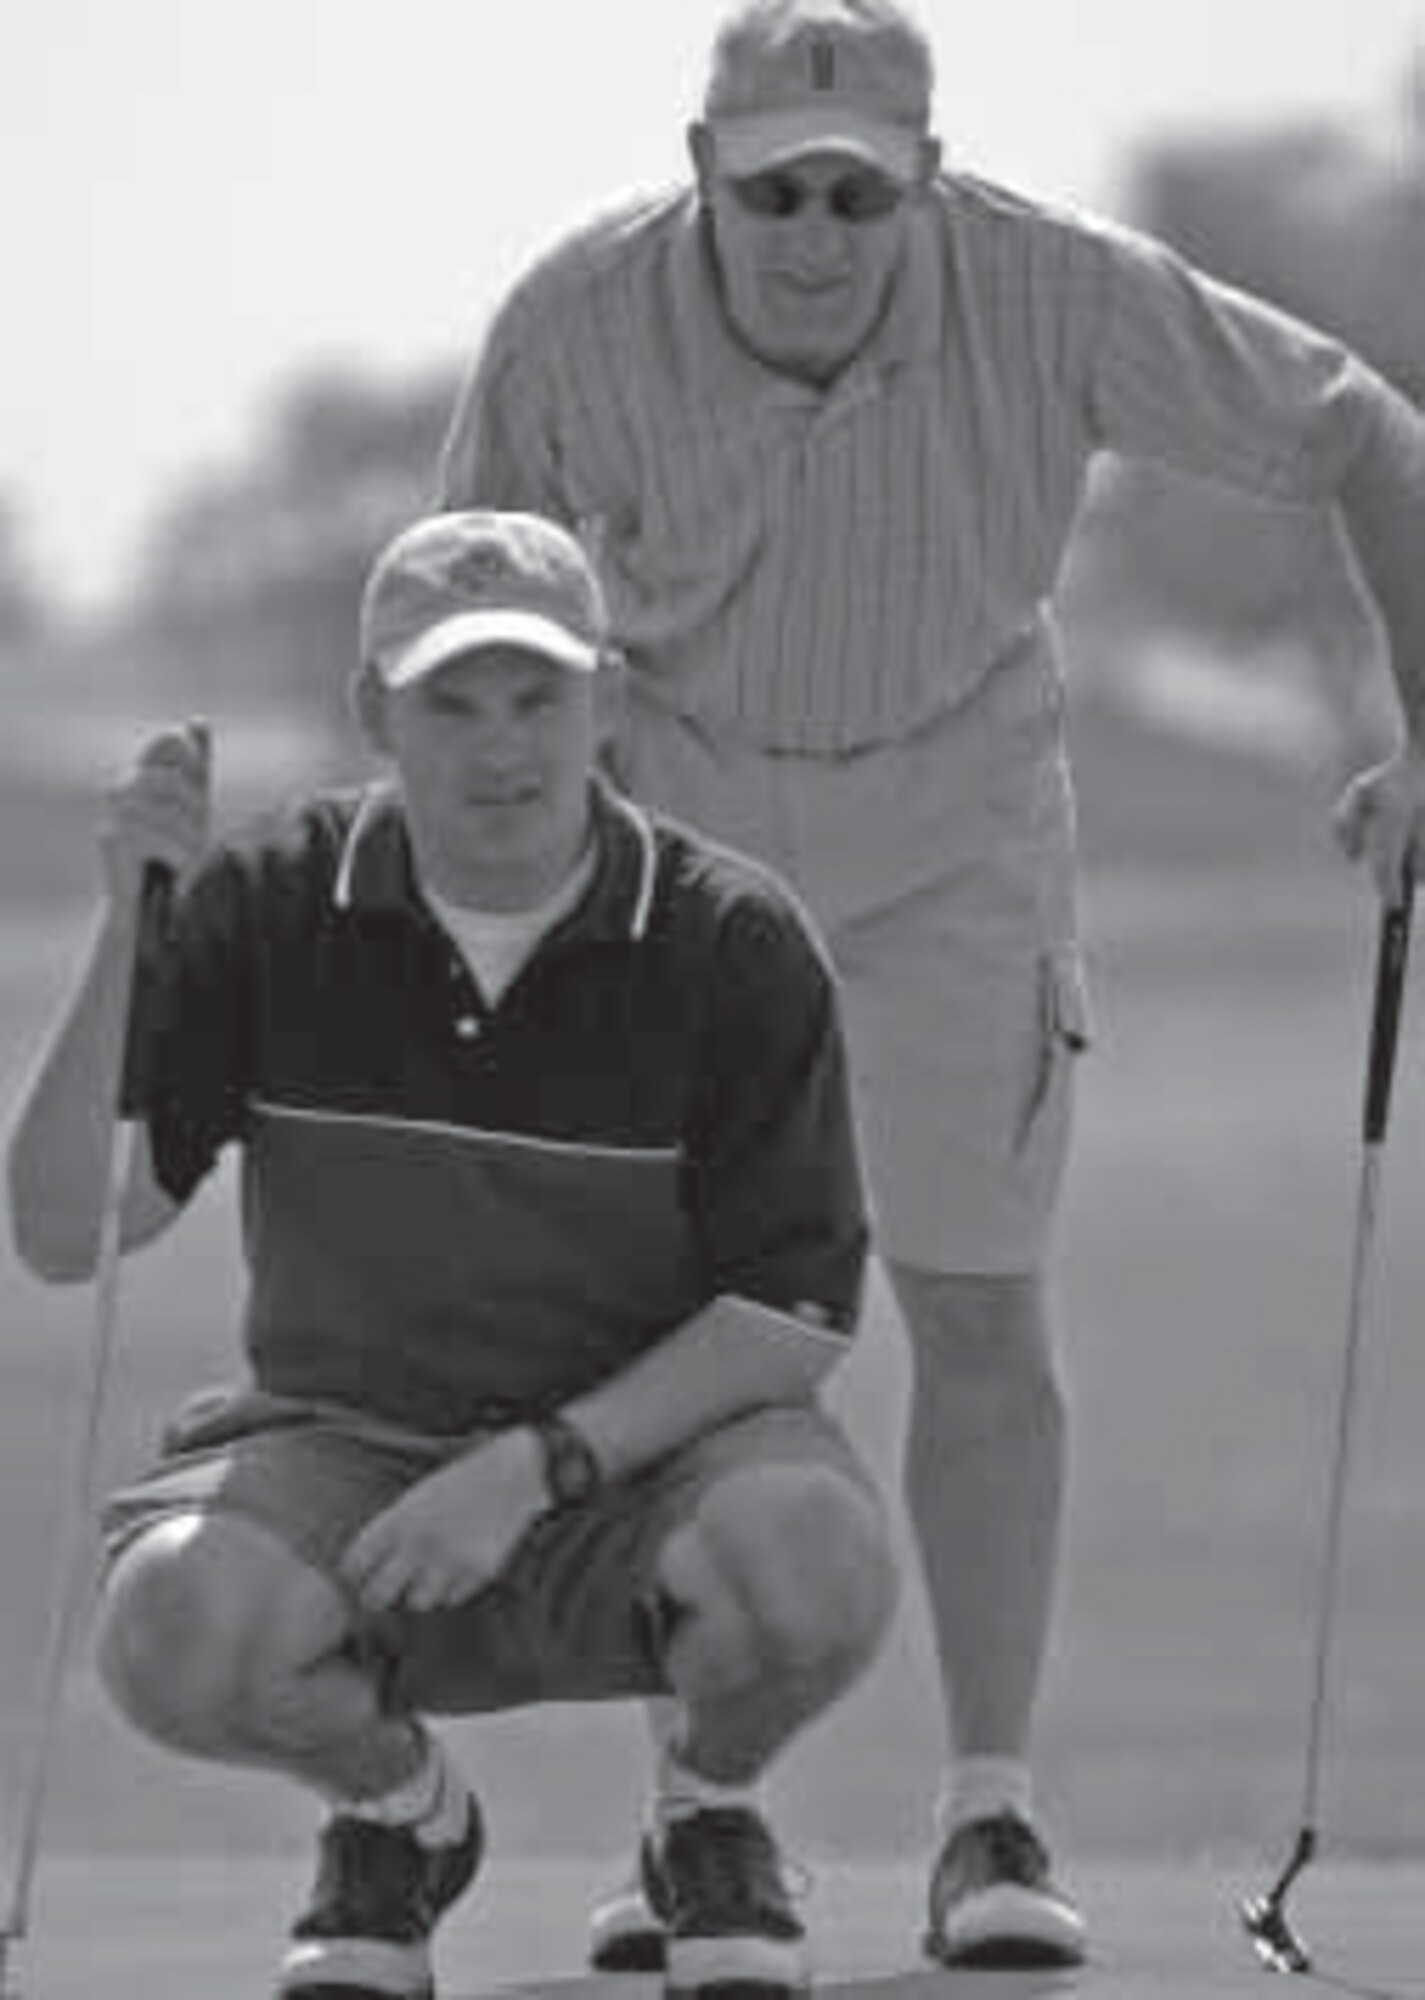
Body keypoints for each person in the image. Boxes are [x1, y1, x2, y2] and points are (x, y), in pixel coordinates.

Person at [436, 0, 1425, 1971]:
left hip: (959, 840)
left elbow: (1359, 434)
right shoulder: (571, 318)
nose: (810, 228)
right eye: (770, 186)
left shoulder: (1047, 290)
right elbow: (470, 594)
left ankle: (988, 1814)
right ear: (701, 166)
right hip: (685, 850)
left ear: (923, 179)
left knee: (975, 1309)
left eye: (851, 190)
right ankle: (697, 1821)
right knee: (681, 1334)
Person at [5, 508, 899, 2000]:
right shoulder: (269, 901)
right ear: (375, 715)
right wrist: (127, 930)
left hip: (647, 1460)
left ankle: (704, 1814)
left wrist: (531, 1465)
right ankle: (399, 1820)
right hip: (347, 1442)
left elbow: (789, 1317)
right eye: (451, 702)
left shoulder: (728, 939)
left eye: (539, 696)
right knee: (170, 1629)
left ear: (606, 700)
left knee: (814, 1568)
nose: (503, 749)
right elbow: (59, 1229)